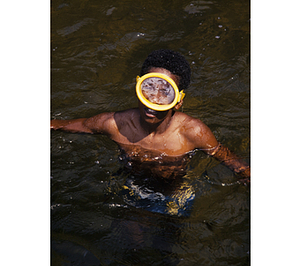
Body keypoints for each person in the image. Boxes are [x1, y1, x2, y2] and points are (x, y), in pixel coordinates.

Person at [51, 49, 250, 216]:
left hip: (175, 195)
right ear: (138, 87)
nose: (154, 99)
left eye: (165, 92)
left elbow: (229, 159)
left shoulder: (192, 132)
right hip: (131, 186)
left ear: (179, 101)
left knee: (167, 245)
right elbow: (66, 125)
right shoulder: (115, 124)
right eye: (149, 88)